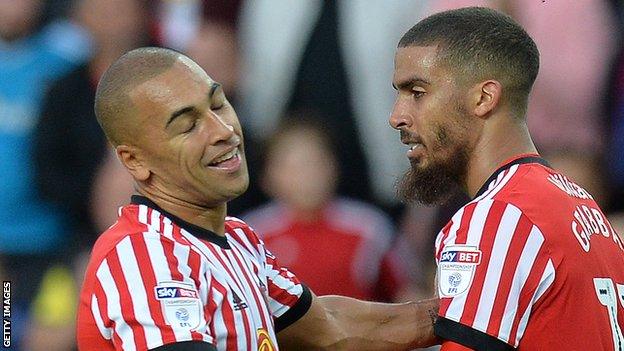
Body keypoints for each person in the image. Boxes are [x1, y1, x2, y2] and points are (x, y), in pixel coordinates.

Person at [76, 47, 439, 350]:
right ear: (135, 160)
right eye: (188, 125)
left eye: (218, 105)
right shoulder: (143, 255)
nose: (223, 131)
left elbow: (329, 325)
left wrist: (476, 312)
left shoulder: (238, 239)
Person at [389, 7, 624, 350]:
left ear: (484, 98)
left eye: (417, 92)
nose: (397, 116)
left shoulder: (499, 217)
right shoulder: (584, 209)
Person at [243, 116, 410, 302]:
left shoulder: (368, 228)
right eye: (294, 167)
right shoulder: (252, 236)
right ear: (268, 177)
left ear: (333, 167)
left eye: (315, 163)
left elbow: (404, 295)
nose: (308, 176)